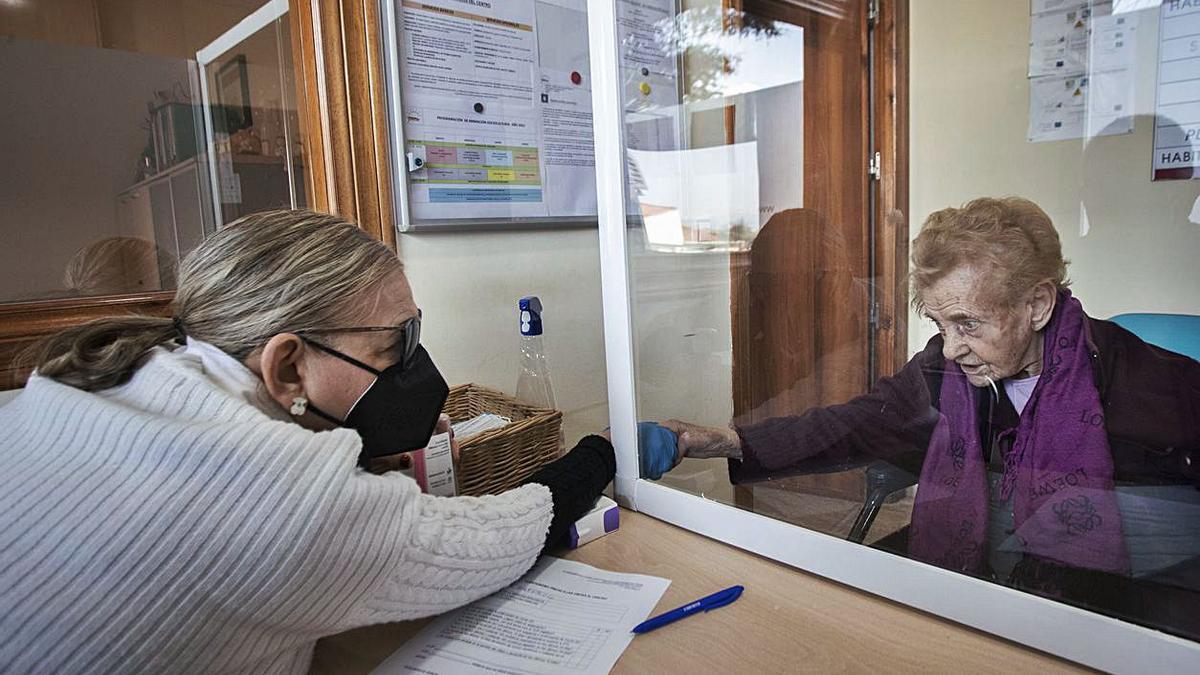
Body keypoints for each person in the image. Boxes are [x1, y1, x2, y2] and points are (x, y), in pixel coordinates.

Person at [0, 210, 615, 674]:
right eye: (392, 347)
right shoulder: (278, 495)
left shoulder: (111, 378)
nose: (414, 366)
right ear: (289, 367)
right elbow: (502, 536)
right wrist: (603, 452)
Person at [659, 197, 1200, 635]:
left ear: (1037, 304)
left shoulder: (1150, 384)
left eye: (967, 323)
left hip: (1116, 600)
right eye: (939, 325)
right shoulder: (944, 372)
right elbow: (856, 422)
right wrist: (719, 440)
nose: (950, 348)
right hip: (979, 574)